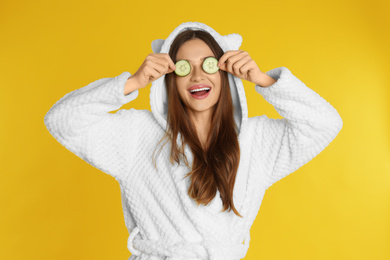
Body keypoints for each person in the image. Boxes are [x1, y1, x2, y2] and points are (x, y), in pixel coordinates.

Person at [44, 21, 343, 260]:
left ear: (225, 72)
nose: (198, 76)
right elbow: (61, 121)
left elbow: (325, 124)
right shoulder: (137, 134)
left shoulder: (255, 140)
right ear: (169, 78)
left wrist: (265, 80)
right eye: (185, 67)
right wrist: (132, 82)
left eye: (209, 64)